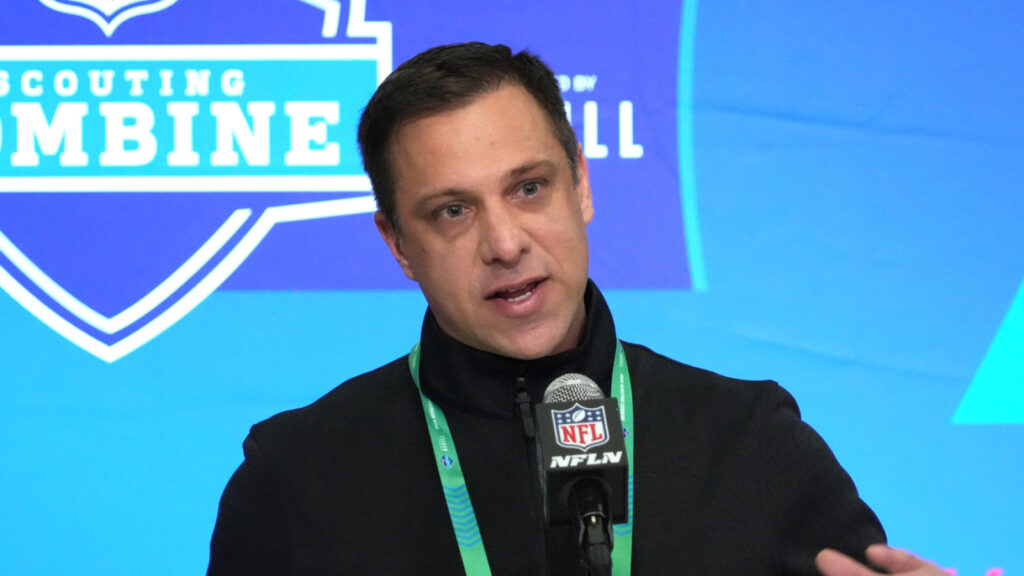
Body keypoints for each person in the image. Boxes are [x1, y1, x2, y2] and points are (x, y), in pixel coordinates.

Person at [208, 42, 945, 575]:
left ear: (582, 186)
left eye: (529, 188)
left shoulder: (750, 444)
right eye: (453, 211)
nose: (505, 243)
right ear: (398, 243)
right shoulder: (297, 479)